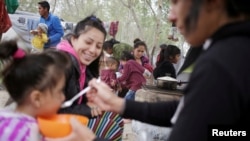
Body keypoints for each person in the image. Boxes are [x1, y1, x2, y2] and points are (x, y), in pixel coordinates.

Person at [48, 0, 250, 141]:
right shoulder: (232, 51)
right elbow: (186, 111)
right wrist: (119, 105)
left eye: (176, 1)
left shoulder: (222, 65)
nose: (171, 15)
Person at [56, 15, 124, 140]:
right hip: (54, 130)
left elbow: (79, 98)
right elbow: (52, 111)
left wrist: (96, 99)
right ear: (74, 39)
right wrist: (88, 109)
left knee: (116, 116)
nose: (93, 50)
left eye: (98, 46)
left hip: (72, 121)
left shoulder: (84, 67)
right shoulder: (60, 64)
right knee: (112, 129)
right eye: (88, 42)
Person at [0, 40, 70, 140]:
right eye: (59, 92)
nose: (63, 98)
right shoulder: (22, 134)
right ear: (37, 98)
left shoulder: (7, 118)